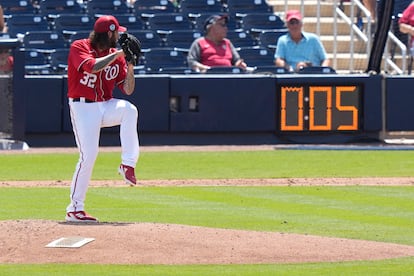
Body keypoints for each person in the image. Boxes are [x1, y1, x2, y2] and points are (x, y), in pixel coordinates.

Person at [66, 15, 139, 223]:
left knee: (129, 110)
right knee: (88, 156)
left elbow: (127, 89)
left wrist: (130, 65)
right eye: (117, 32)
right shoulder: (79, 46)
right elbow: (92, 66)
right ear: (109, 32)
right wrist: (118, 54)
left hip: (105, 105)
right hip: (82, 106)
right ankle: (74, 209)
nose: (119, 36)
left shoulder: (115, 55)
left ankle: (128, 165)